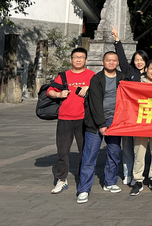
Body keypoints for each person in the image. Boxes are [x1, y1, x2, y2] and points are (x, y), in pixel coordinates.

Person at [76, 52, 128, 204]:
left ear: (118, 62)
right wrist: (101, 124)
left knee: (114, 152)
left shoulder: (122, 77)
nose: (111, 62)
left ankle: (110, 182)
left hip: (115, 120)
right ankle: (84, 189)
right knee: (89, 156)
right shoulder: (96, 79)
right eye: (108, 60)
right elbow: (95, 103)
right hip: (95, 122)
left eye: (114, 60)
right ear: (102, 62)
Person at [47, 47, 94, 194]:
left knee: (84, 151)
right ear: (71, 59)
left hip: (84, 119)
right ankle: (61, 179)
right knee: (62, 151)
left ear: (86, 60)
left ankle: (83, 178)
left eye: (81, 57)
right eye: (75, 57)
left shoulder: (91, 75)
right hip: (65, 118)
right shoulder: (63, 76)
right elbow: (49, 91)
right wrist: (59, 94)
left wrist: (89, 88)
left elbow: (101, 90)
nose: (78, 59)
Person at [111, 26, 149, 185]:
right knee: (126, 145)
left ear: (146, 61)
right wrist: (117, 41)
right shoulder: (129, 72)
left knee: (140, 147)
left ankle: (138, 174)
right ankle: (127, 172)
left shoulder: (151, 74)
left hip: (145, 115)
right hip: (129, 115)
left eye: (142, 59)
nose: (139, 62)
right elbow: (121, 58)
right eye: (136, 59)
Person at [129, 58, 152, 196]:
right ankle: (138, 179)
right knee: (139, 152)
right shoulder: (137, 84)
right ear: (146, 69)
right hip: (141, 123)